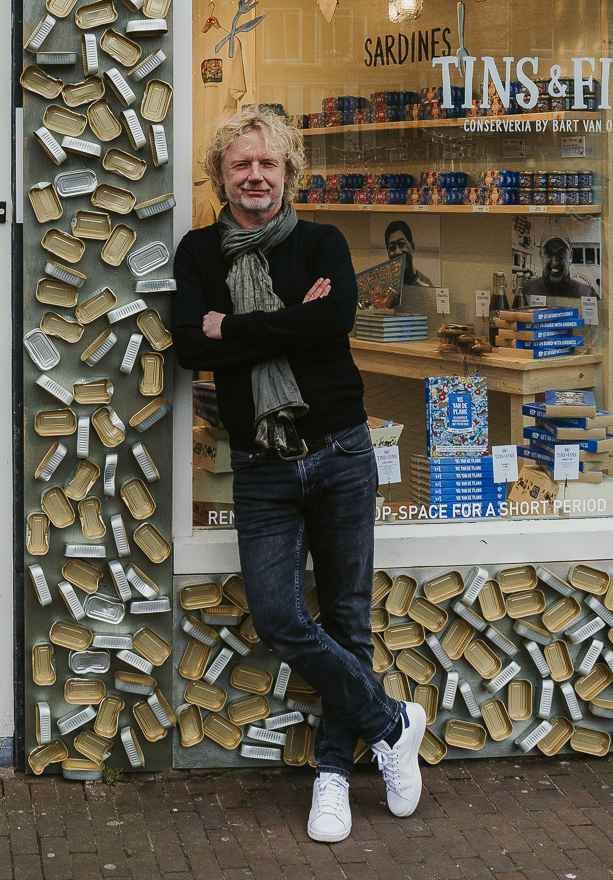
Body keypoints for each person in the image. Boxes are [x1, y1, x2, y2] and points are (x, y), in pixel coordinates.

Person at [172, 107, 427, 844]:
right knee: (281, 614)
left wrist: (237, 326)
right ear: (221, 174)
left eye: (268, 164)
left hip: (343, 450)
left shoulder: (322, 241)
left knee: (348, 618)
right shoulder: (198, 253)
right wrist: (284, 319)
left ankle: (335, 777)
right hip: (261, 463)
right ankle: (391, 721)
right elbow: (192, 347)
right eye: (240, 164)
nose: (255, 175)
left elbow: (333, 323)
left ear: (289, 174)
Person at [519, 235, 599, 302]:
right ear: (541, 256)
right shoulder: (526, 288)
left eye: (561, 253)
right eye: (548, 253)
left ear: (570, 256)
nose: (555, 262)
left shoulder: (588, 294)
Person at [383, 218, 436, 287]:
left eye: (401, 244)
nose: (398, 252)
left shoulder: (426, 285)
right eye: (392, 247)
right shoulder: (383, 286)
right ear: (388, 254)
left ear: (413, 247)